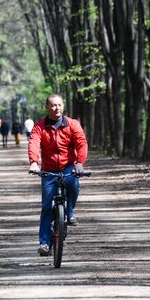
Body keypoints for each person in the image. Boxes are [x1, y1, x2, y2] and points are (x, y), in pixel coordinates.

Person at [28, 93, 88, 256]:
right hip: (49, 169)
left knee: (73, 185)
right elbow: (34, 142)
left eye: (59, 105)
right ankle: (44, 243)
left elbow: (81, 143)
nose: (57, 108)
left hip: (69, 166)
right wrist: (34, 162)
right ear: (47, 107)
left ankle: (70, 213)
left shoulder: (72, 124)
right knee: (47, 207)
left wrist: (80, 163)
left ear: (63, 106)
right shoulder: (40, 126)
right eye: (53, 105)